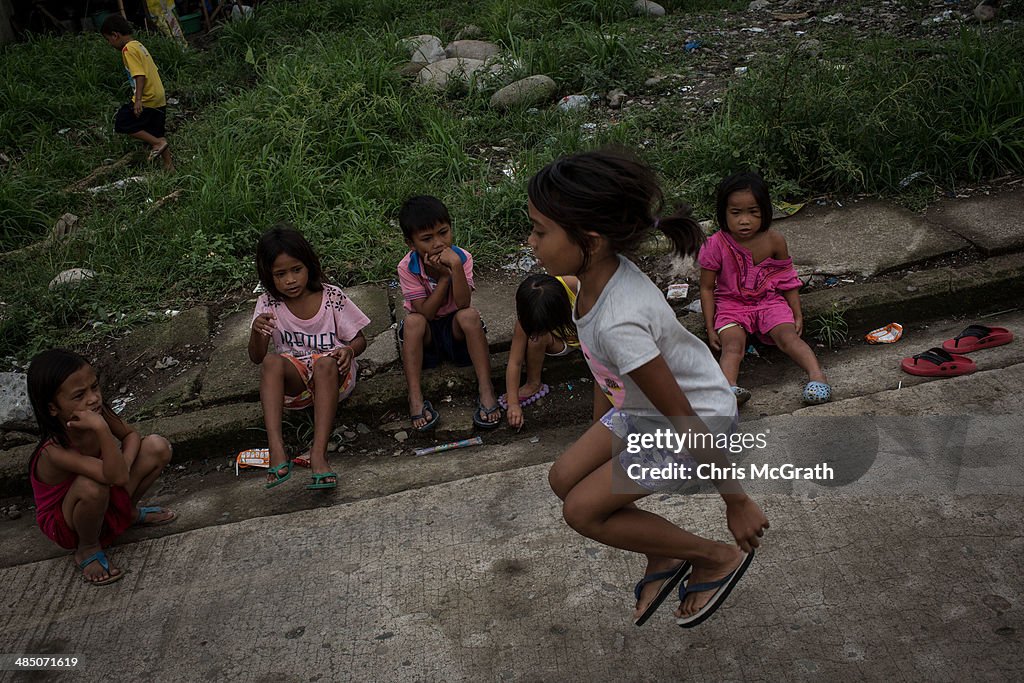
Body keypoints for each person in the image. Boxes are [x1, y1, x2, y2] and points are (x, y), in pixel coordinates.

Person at [529, 149, 769, 628]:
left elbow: (684, 419)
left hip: (690, 420)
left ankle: (714, 556)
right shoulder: (596, 273)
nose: (530, 241)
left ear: (590, 240)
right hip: (647, 411)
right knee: (563, 478)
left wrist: (736, 500)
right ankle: (662, 555)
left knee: (582, 510)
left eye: (539, 230)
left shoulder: (621, 322)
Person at [26, 349, 175, 586]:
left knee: (157, 447)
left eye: (94, 387)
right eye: (79, 395)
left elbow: (131, 435)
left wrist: (123, 466)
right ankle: (87, 547)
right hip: (68, 522)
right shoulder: (53, 451)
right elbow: (111, 476)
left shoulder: (99, 411)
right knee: (91, 485)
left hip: (107, 491)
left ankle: (128, 513)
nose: (94, 398)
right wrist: (102, 430)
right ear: (52, 408)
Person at [249, 225, 369, 490]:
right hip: (297, 388)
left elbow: (359, 339)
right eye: (280, 274)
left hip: (334, 377)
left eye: (296, 270)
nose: (290, 280)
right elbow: (257, 357)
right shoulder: (268, 304)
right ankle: (276, 448)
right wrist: (257, 331)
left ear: (309, 266)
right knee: (271, 361)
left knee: (324, 362)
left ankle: (319, 453)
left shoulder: (331, 297)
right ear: (268, 275)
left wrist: (349, 351)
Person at [698, 171, 831, 406]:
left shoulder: (774, 240)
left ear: (765, 212)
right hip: (731, 305)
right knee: (732, 346)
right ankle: (728, 389)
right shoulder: (714, 245)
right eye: (735, 213)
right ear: (723, 212)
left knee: (788, 338)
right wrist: (710, 327)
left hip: (768, 301)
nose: (744, 220)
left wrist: (796, 313)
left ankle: (817, 376)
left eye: (753, 212)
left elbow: (786, 279)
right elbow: (707, 288)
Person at [396, 195, 501, 431]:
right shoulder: (407, 267)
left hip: (456, 330)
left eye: (443, 232)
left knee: (470, 316)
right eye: (427, 238)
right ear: (411, 244)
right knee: (412, 322)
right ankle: (415, 398)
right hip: (428, 335)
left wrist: (454, 268)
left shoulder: (462, 259)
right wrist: (444, 278)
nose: (438, 243)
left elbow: (463, 303)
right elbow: (426, 313)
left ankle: (486, 390)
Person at [502, 274, 582, 430]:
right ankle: (533, 383)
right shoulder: (528, 314)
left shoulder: (579, 288)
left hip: (590, 340)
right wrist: (513, 404)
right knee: (536, 339)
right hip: (562, 342)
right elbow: (515, 361)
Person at [100, 15, 173, 171]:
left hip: (147, 97)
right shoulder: (138, 45)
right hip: (158, 95)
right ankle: (169, 166)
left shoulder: (128, 50)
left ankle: (156, 144)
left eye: (108, 40)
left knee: (122, 122)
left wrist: (138, 99)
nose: (109, 44)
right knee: (156, 131)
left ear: (115, 35)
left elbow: (139, 74)